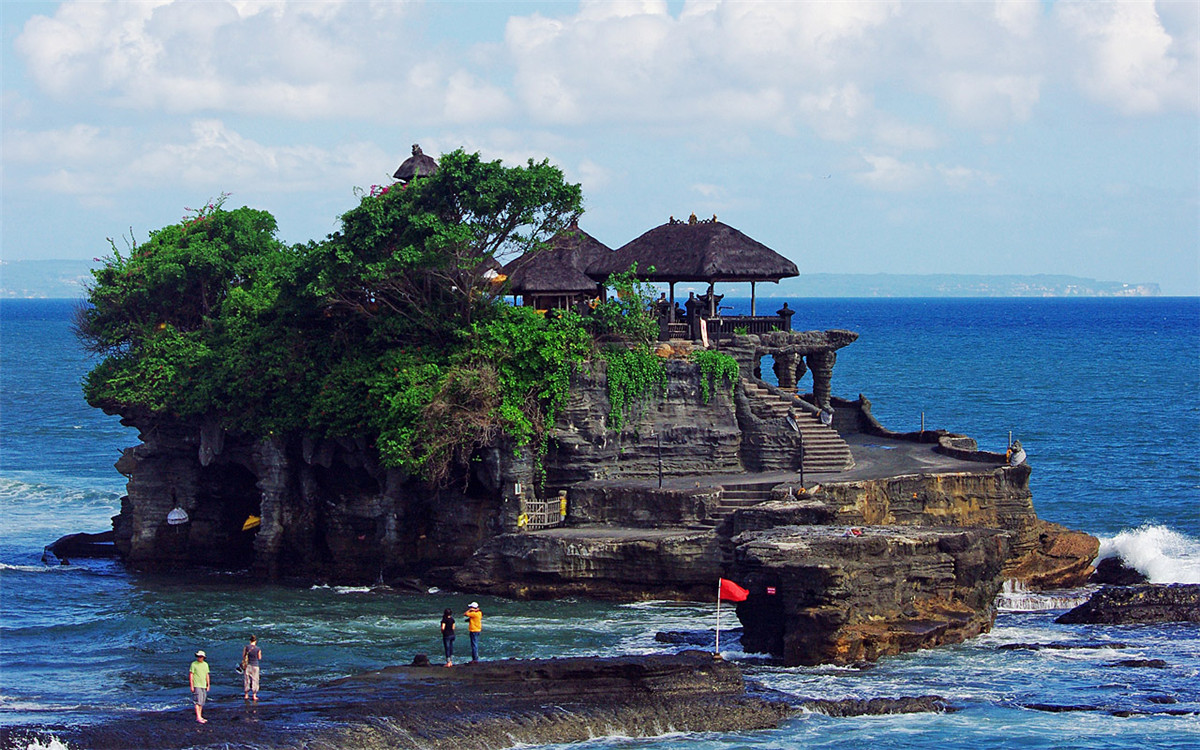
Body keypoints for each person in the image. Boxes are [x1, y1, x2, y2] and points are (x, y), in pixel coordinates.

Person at [189, 650, 210, 724]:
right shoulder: (194, 664)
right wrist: (192, 686)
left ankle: (200, 716)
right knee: (197, 701)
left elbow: (207, 675)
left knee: (202, 701)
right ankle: (198, 717)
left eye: (200, 657)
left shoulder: (205, 665)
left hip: (203, 685)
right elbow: (191, 675)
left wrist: (208, 685)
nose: (199, 658)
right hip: (197, 685)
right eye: (198, 656)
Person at [241, 635, 262, 701]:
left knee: (247, 680)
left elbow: (243, 655)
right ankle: (254, 695)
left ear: (250, 640)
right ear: (255, 641)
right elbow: (259, 658)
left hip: (248, 665)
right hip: (255, 665)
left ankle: (246, 695)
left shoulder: (246, 647)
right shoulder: (258, 648)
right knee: (255, 680)